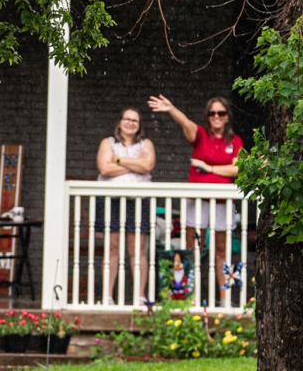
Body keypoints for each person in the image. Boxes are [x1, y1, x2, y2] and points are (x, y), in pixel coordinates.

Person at [146, 93, 244, 289]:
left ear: (227, 116)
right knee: (192, 248)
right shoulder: (201, 136)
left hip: (223, 201)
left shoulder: (235, 141)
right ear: (207, 116)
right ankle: (187, 296)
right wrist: (172, 109)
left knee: (222, 251)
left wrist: (209, 168)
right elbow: (187, 124)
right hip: (198, 200)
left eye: (221, 112)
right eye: (212, 113)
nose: (216, 116)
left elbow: (238, 169)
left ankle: (225, 299)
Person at [95, 107, 156, 303]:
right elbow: (104, 168)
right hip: (112, 199)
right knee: (112, 247)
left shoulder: (146, 144)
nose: (130, 123)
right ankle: (107, 296)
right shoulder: (108, 142)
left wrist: (119, 160)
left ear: (139, 126)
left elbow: (147, 166)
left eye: (135, 120)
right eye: (127, 119)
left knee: (137, 249)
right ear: (120, 122)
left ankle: (139, 296)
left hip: (139, 201)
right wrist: (134, 165)